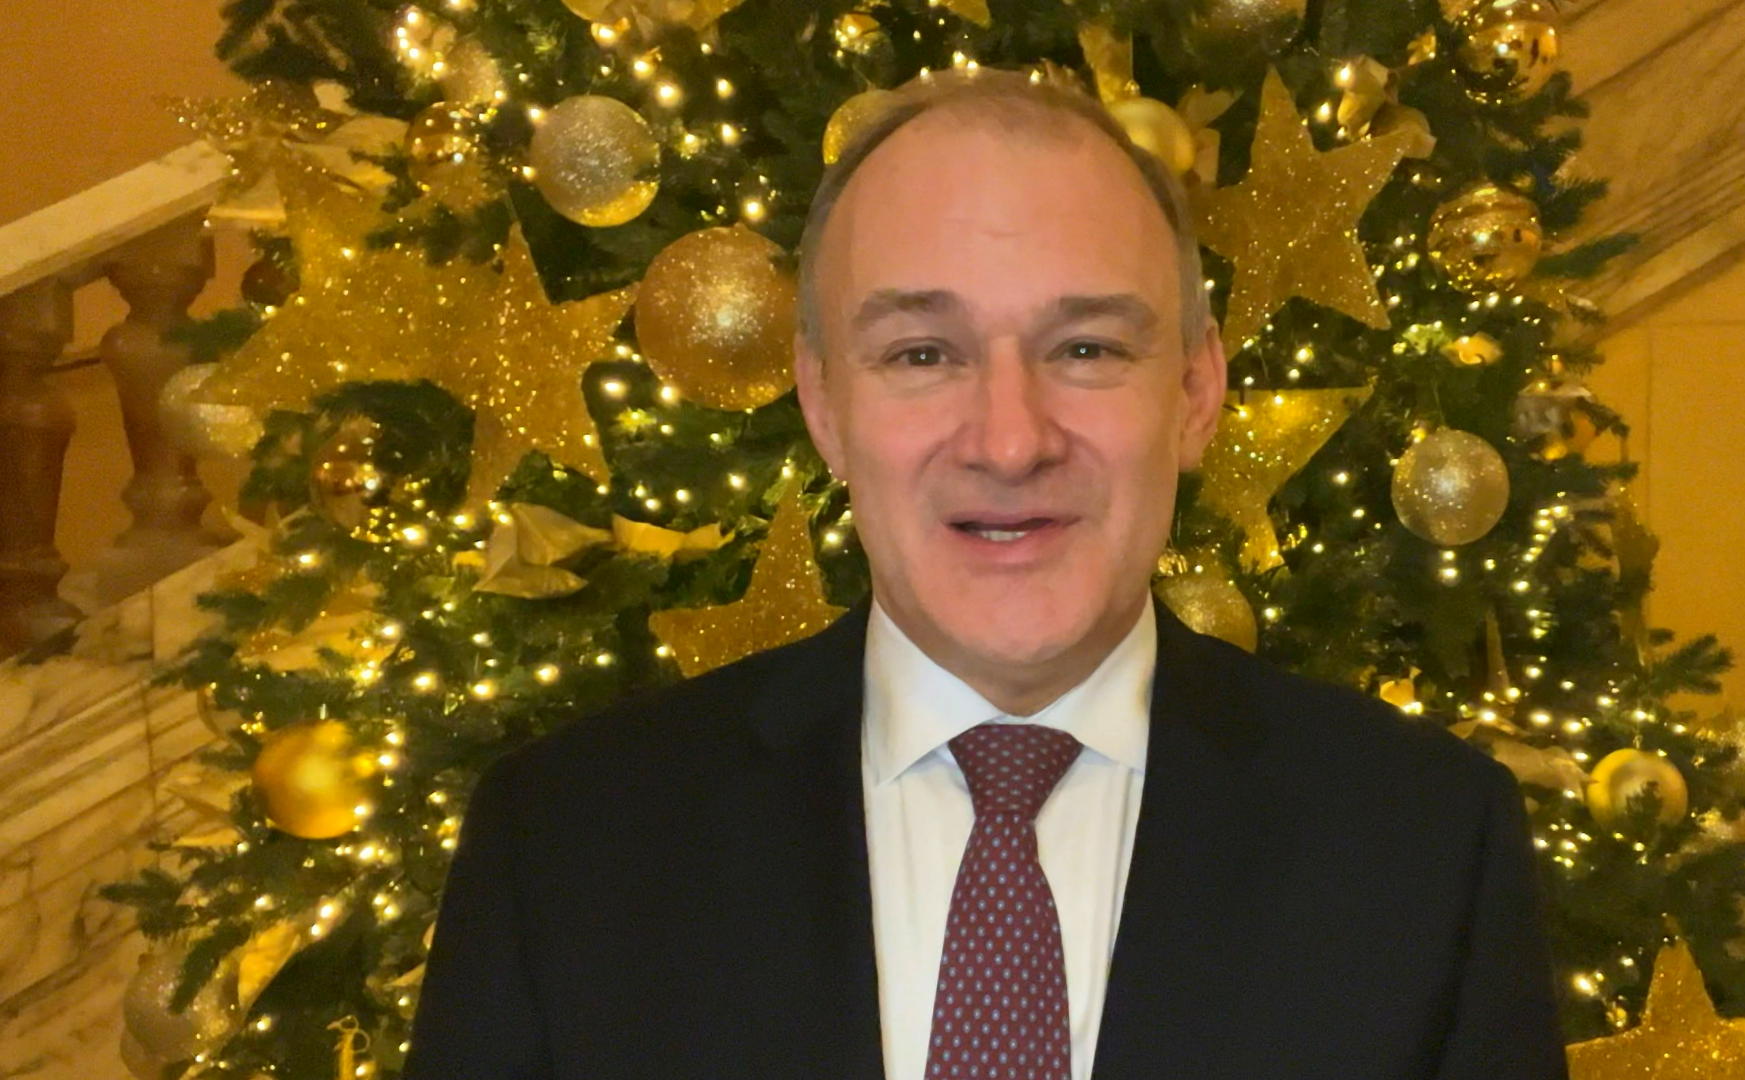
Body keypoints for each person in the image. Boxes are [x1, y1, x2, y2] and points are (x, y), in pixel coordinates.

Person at [402, 68, 1569, 1080]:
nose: (1011, 440)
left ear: (1197, 391)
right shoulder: (571, 848)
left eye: (1086, 349)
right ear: (823, 402)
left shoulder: (1421, 846)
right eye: (922, 352)